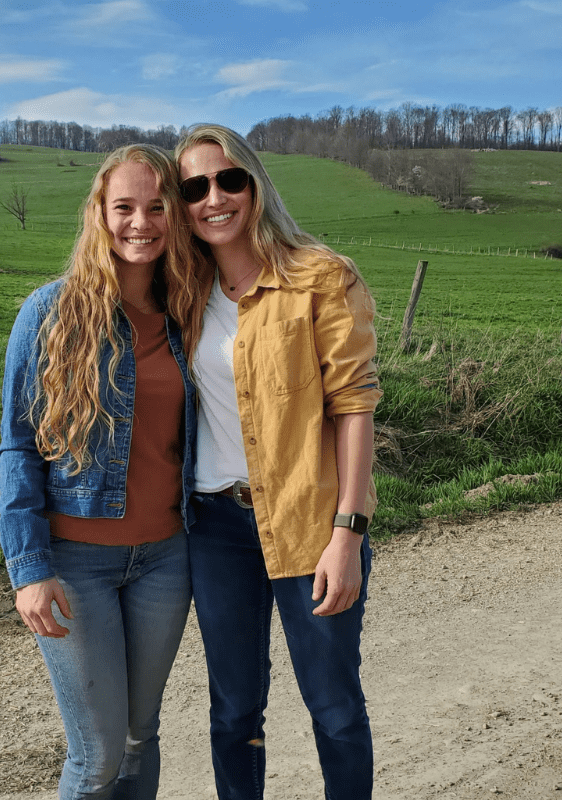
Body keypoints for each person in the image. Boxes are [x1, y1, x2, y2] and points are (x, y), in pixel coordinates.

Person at [174, 123, 382, 800]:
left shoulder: (319, 276)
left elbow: (353, 404)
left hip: (311, 522)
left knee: (334, 708)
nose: (214, 197)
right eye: (195, 187)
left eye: (228, 178)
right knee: (235, 712)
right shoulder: (182, 292)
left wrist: (347, 532)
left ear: (255, 184)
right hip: (216, 529)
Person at [0, 143, 203, 800]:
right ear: (99, 214)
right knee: (98, 754)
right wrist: (28, 568)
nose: (140, 222)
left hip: (167, 558)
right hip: (76, 563)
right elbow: (18, 447)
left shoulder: (188, 316)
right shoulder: (49, 313)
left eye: (157, 207)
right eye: (124, 207)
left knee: (143, 736)